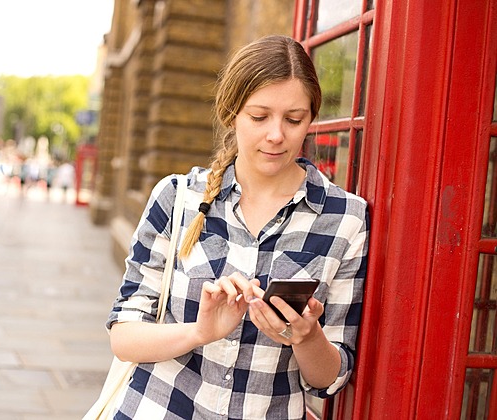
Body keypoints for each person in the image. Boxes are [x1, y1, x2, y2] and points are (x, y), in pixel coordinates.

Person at [106, 34, 369, 419]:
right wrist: (200, 332)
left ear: (311, 118)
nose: (277, 135)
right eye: (259, 117)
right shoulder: (177, 197)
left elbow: (330, 379)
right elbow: (123, 335)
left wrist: (306, 336)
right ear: (232, 113)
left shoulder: (346, 218)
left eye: (294, 119)